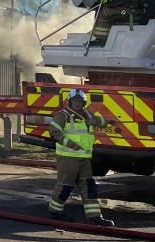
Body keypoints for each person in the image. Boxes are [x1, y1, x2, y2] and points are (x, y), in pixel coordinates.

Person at [47, 88, 115, 226]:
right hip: (68, 157)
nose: (77, 103)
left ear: (84, 102)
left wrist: (103, 121)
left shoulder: (86, 114)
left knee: (89, 187)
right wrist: (71, 145)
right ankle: (55, 212)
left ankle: (94, 216)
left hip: (84, 158)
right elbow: (54, 131)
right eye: (75, 101)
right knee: (65, 186)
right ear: (70, 101)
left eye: (80, 101)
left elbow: (100, 122)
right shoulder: (63, 115)